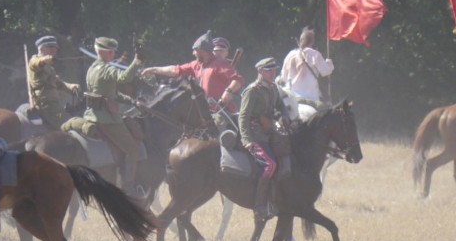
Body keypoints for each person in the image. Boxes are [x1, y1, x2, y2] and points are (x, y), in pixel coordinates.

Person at [80, 37, 146, 197]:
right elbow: (124, 78)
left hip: (91, 115)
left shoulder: (92, 68)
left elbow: (109, 93)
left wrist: (130, 100)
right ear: (105, 52)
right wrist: (137, 62)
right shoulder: (106, 69)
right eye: (112, 51)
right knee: (132, 150)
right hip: (107, 119)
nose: (114, 54)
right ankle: (128, 188)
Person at [141, 31, 244, 131]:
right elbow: (175, 70)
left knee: (221, 135)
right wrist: (153, 69)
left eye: (195, 50)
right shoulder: (196, 65)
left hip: (222, 112)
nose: (193, 53)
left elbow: (238, 80)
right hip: (204, 113)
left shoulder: (219, 64)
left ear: (203, 50)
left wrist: (228, 91)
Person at [239, 57, 292, 221]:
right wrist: (247, 140)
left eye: (274, 70)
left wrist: (284, 115)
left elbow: (280, 105)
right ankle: (260, 206)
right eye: (269, 70)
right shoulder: (252, 90)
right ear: (260, 71)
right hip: (256, 135)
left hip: (270, 132)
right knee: (270, 165)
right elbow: (243, 117)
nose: (272, 73)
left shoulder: (273, 88)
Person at [27, 35, 80, 129]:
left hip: (54, 104)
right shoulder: (34, 60)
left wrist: (71, 86)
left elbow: (58, 83)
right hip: (46, 106)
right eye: (51, 48)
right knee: (71, 125)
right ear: (41, 49)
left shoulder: (49, 68)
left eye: (55, 48)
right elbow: (35, 63)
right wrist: (44, 59)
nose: (54, 51)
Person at [278, 27, 334, 109]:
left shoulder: (290, 55)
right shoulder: (315, 54)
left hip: (292, 98)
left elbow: (284, 77)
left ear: (300, 40)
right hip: (312, 98)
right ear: (312, 41)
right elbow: (325, 71)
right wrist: (329, 63)